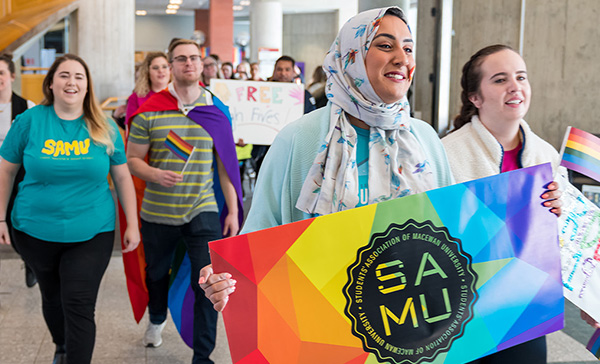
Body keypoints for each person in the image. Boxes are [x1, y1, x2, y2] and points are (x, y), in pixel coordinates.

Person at [200, 6, 454, 309]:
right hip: (320, 319)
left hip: (410, 319)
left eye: (408, 48)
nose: (402, 58)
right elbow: (260, 233)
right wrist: (226, 278)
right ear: (352, 55)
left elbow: (449, 232)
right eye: (385, 45)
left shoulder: (424, 140)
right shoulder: (299, 139)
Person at [0, 54, 140, 364]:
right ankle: (61, 346)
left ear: (88, 86)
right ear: (51, 83)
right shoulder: (29, 121)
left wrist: (132, 223)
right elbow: (6, 170)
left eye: (79, 76)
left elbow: (121, 176)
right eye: (64, 75)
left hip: (92, 230)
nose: (71, 82)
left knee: (78, 302)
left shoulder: (104, 126)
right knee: (51, 297)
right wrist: (0, 217)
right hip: (34, 229)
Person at [441, 44, 563, 364]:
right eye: (499, 79)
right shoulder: (445, 156)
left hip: (526, 309)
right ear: (475, 97)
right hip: (462, 313)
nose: (515, 86)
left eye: (521, 77)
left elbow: (559, 241)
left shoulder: (546, 156)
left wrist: (563, 214)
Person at [126, 39, 243, 363]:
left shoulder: (216, 110)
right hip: (157, 212)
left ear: (201, 63)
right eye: (180, 59)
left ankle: (203, 356)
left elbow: (225, 166)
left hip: (202, 209)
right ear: (171, 65)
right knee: (156, 274)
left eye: (193, 58)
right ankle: (157, 317)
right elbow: (132, 159)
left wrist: (232, 210)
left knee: (207, 280)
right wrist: (153, 174)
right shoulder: (150, 110)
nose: (188, 63)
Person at [0, 53, 37, 288]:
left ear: (12, 76)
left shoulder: (26, 108)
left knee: (17, 225)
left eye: (1, 73)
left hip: (15, 177)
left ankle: (29, 260)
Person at [125, 52, 170, 125]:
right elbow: (131, 128)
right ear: (147, 72)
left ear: (170, 70)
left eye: (164, 67)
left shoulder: (180, 95)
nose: (161, 71)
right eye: (155, 68)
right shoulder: (136, 98)